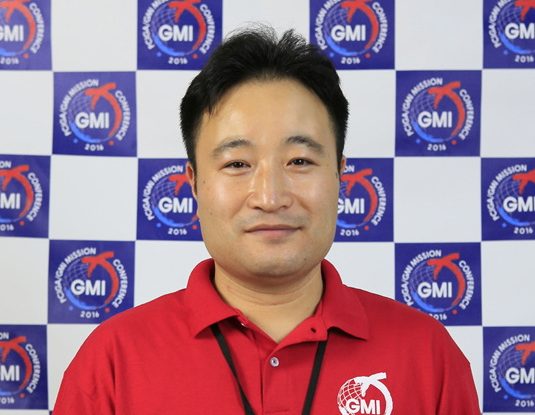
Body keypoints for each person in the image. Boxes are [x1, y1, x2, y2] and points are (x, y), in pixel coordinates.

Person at [54, 27, 481, 415]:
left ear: (340, 175)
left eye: (300, 161)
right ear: (194, 183)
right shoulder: (113, 362)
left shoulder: (427, 357)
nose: (270, 197)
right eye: (237, 163)